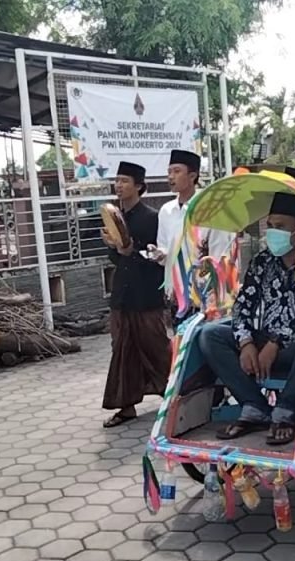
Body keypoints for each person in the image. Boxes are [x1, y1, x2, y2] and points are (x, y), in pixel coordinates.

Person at [197, 187, 295, 446]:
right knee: (209, 334)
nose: (273, 232)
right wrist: (246, 343)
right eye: (270, 225)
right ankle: (254, 406)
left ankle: (286, 410)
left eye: (281, 226)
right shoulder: (262, 261)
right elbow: (243, 305)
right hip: (261, 343)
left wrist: (275, 343)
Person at [100, 161, 171, 428]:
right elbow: (116, 259)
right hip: (122, 296)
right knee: (121, 350)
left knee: (156, 348)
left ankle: (175, 397)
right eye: (117, 180)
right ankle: (126, 406)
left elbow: (157, 257)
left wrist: (132, 249)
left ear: (139, 186)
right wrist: (114, 247)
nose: (119, 185)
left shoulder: (151, 218)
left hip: (146, 297)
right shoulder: (115, 217)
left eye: (125, 181)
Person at [149, 150, 236, 326]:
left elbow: (220, 257)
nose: (171, 177)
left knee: (204, 344)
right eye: (169, 172)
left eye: (177, 171)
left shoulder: (211, 210)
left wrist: (207, 290)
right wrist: (159, 254)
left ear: (192, 176)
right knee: (181, 345)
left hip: (208, 296)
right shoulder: (166, 211)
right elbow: (166, 250)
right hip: (178, 295)